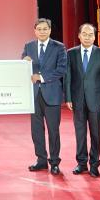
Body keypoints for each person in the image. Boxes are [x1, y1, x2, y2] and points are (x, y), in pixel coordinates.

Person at [65, 23, 100, 177]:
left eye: (90, 34)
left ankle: (94, 164)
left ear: (94, 37)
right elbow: (67, 77)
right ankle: (82, 163)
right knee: (80, 133)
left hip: (96, 101)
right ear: (79, 35)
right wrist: (68, 97)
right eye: (84, 34)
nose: (87, 37)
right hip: (77, 99)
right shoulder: (71, 53)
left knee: (96, 134)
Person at [22, 18, 67, 175]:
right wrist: (24, 62)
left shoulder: (59, 47)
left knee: (53, 130)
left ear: (50, 30)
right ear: (35, 31)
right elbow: (23, 68)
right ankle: (41, 160)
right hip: (34, 95)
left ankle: (54, 162)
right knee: (36, 130)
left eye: (45, 29)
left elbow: (62, 69)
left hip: (52, 94)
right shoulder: (28, 46)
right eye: (39, 29)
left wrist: (41, 77)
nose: (42, 31)